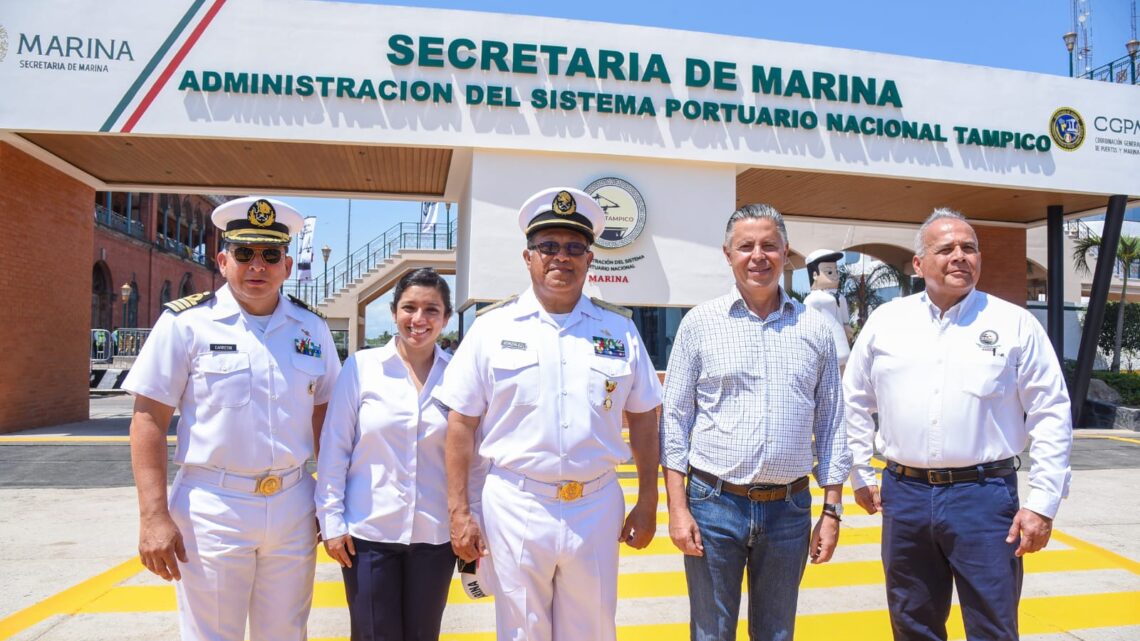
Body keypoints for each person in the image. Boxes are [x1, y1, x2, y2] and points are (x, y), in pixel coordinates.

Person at [434, 186, 663, 641]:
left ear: (590, 259)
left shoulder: (619, 329)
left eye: (574, 247)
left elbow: (644, 419)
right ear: (528, 257)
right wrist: (459, 512)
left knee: (594, 629)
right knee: (521, 630)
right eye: (549, 247)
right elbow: (460, 423)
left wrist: (649, 502)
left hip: (596, 505)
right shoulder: (491, 329)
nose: (562, 257)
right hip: (516, 502)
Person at [844, 208, 1073, 641]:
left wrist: (1042, 503)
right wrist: (859, 471)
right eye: (945, 248)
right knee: (913, 624)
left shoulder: (1013, 324)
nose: (959, 257)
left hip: (985, 500)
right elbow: (853, 400)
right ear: (918, 264)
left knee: (992, 626)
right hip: (904, 497)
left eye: (969, 248)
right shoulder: (887, 322)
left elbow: (1051, 412)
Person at [124, 196, 341, 641]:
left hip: (294, 501)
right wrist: (153, 516)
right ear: (222, 260)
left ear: (286, 264)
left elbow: (328, 416)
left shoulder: (312, 329)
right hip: (213, 507)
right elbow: (148, 419)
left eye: (269, 254)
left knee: (286, 633)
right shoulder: (186, 324)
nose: (256, 265)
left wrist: (329, 500)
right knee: (212, 635)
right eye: (244, 253)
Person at [660, 203, 850, 641]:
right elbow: (675, 422)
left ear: (786, 254)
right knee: (711, 633)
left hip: (789, 510)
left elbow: (832, 421)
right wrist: (677, 508)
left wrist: (832, 509)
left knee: (777, 633)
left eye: (769, 245)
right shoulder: (699, 324)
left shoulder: (815, 328)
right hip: (713, 505)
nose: (758, 256)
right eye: (746, 246)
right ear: (728, 254)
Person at [316, 267, 461, 641]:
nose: (419, 319)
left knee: (422, 636)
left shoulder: (459, 375)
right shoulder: (362, 368)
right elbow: (335, 447)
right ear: (394, 312)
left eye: (432, 309)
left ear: (446, 318)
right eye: (409, 307)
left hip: (435, 537)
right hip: (368, 534)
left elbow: (472, 458)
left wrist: (469, 521)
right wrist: (331, 522)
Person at [803, 248, 852, 369]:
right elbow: (807, 326)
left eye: (836, 271)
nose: (835, 276)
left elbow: (846, 323)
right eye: (829, 272)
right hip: (824, 353)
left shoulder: (840, 297)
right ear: (815, 275)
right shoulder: (813, 299)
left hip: (843, 349)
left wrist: (848, 330)